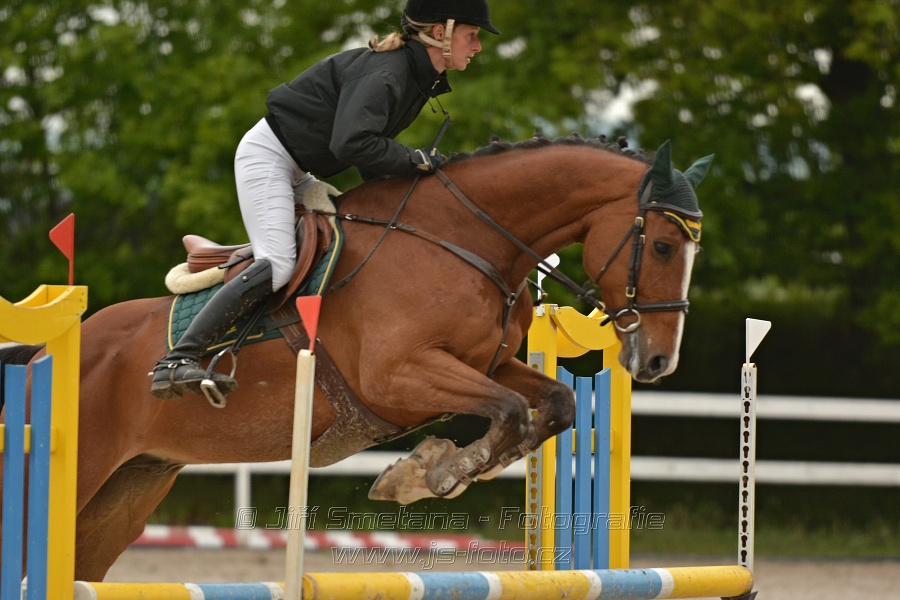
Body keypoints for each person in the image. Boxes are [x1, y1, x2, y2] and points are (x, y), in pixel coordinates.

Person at [150, 0, 500, 400]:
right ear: (440, 33)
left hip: (301, 169)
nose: (477, 47)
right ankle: (176, 360)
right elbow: (352, 143)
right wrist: (414, 160)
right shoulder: (388, 72)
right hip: (270, 157)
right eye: (471, 36)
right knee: (278, 265)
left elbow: (371, 153)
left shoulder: (415, 76)